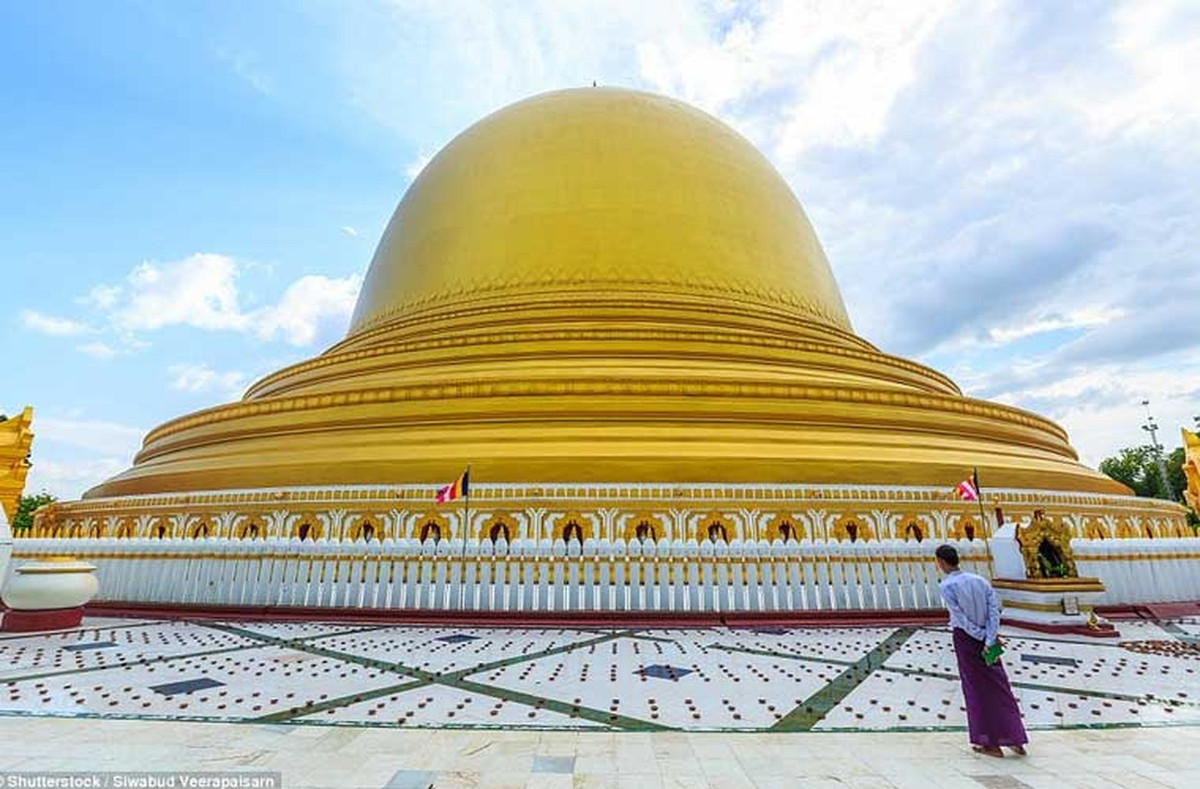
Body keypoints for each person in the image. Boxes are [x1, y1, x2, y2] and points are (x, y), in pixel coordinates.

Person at [935, 543, 1028, 757]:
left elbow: (960, 618)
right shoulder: (980, 581)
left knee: (977, 691)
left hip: (967, 641)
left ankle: (990, 743)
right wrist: (990, 637)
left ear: (940, 562)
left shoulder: (947, 586)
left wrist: (980, 638)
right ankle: (1015, 739)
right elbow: (994, 611)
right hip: (988, 638)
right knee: (1000, 688)